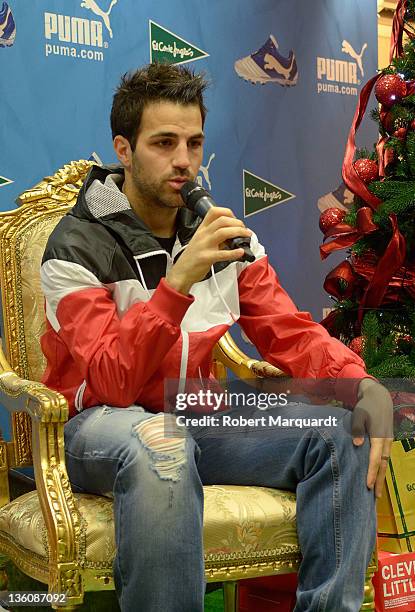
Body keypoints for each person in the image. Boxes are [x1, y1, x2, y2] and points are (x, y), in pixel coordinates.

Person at [40, 63, 393, 612]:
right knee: (163, 446)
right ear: (124, 150)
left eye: (194, 142)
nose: (184, 161)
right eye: (163, 143)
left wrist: (360, 382)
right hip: (95, 425)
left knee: (345, 428)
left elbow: (289, 331)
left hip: (197, 411)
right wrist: (176, 283)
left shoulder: (221, 234)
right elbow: (111, 380)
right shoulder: (75, 245)